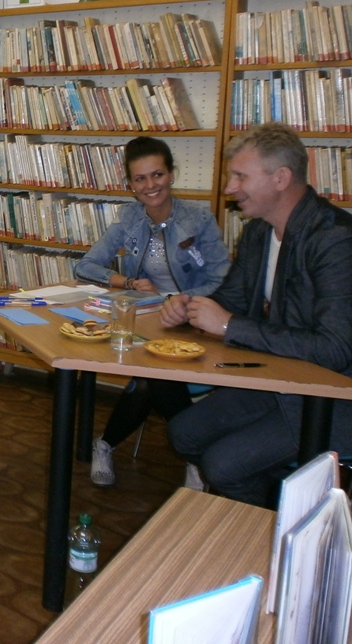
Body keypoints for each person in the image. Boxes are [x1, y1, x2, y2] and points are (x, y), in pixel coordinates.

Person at [162, 124, 352, 506]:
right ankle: (280, 499)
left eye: (240, 176)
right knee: (183, 434)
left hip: (332, 400)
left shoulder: (336, 239)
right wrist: (188, 308)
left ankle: (286, 523)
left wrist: (228, 325)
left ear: (281, 178)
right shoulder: (258, 233)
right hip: (278, 381)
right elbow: (230, 299)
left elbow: (335, 348)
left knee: (223, 467)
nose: (229, 188)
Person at [74, 137, 230, 488]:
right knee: (153, 374)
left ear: (171, 174)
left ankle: (108, 444)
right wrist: (128, 281)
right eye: (140, 179)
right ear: (130, 184)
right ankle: (192, 458)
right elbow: (85, 266)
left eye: (157, 174)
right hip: (149, 320)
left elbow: (222, 280)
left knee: (153, 378)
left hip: (196, 321)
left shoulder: (198, 219)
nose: (150, 185)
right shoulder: (129, 218)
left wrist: (178, 300)